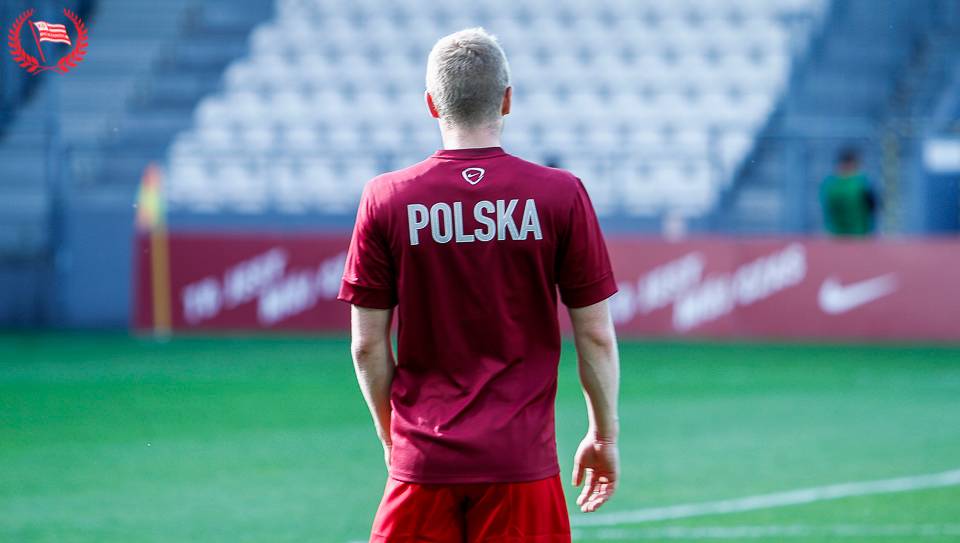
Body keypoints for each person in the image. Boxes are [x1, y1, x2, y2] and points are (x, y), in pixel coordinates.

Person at [338, 28, 621, 543]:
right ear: (507, 100)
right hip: (521, 463)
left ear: (431, 104)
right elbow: (596, 336)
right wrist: (604, 436)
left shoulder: (386, 198)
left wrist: (393, 436)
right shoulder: (561, 194)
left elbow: (366, 345)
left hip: (423, 461)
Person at [820, 148, 879, 237]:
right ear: (854, 164)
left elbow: (827, 210)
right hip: (859, 234)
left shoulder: (829, 184)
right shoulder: (862, 184)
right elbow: (873, 207)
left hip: (835, 235)